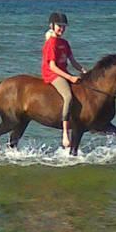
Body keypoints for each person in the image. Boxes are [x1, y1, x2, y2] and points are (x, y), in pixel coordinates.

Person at [41, 11, 86, 149]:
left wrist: (85, 71)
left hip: (63, 72)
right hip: (52, 74)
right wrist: (70, 77)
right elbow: (52, 66)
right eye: (59, 26)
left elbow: (73, 61)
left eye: (64, 26)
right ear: (52, 26)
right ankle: (65, 134)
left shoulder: (64, 43)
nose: (62, 28)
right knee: (68, 96)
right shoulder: (51, 44)